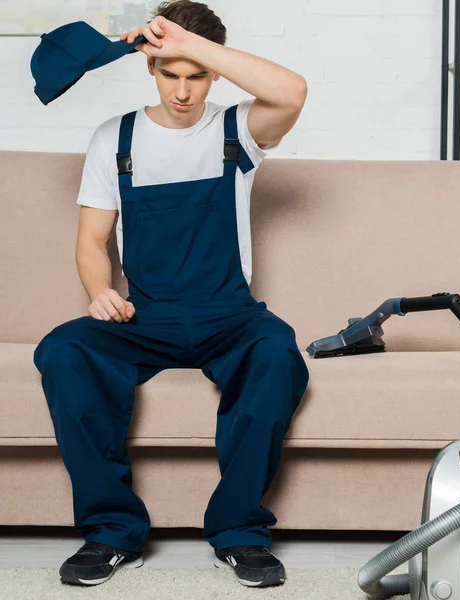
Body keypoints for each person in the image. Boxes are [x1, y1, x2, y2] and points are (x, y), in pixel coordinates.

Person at [32, 0, 309, 589]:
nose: (183, 91)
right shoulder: (116, 138)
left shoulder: (237, 129)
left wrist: (185, 43)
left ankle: (239, 533)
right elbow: (90, 239)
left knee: (277, 352)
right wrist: (100, 290)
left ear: (212, 71)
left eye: (196, 75)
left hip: (228, 314)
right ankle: (111, 531)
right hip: (144, 317)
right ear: (149, 69)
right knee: (63, 349)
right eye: (169, 74)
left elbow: (291, 91)